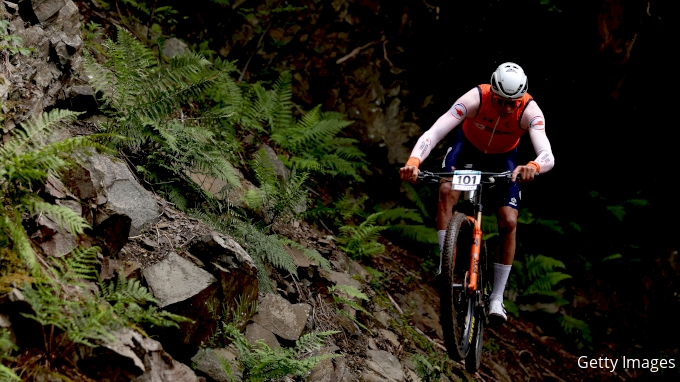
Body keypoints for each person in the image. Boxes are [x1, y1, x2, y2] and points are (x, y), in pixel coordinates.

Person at [399, 62, 555, 323]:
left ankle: (497, 298)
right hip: (467, 151)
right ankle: (446, 264)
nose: (506, 108)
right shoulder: (474, 98)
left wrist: (533, 166)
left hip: (503, 161)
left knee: (508, 221)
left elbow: (547, 154)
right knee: (447, 190)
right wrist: (414, 162)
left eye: (512, 103)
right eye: (500, 101)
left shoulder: (530, 110)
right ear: (492, 91)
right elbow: (435, 131)